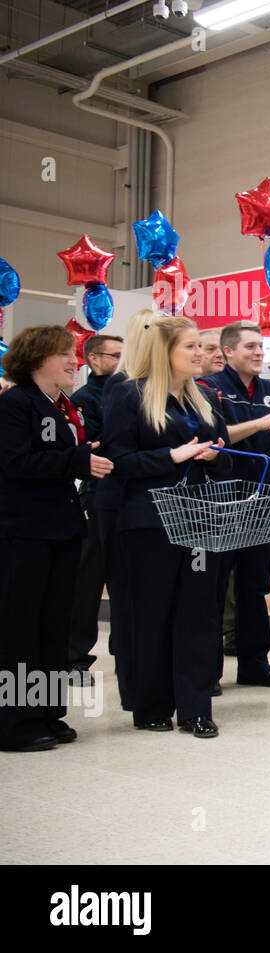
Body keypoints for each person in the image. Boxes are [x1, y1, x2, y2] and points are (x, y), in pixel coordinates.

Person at [100, 315, 230, 738]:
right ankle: (151, 704)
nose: (201, 354)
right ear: (165, 352)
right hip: (148, 520)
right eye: (191, 346)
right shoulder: (129, 395)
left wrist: (214, 456)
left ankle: (195, 707)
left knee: (198, 615)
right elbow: (117, 461)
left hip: (199, 518)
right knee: (151, 613)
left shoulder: (204, 398)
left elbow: (224, 452)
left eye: (201, 346)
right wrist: (170, 457)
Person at [0, 325, 113, 751]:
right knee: (19, 628)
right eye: (65, 354)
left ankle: (47, 712)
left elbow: (62, 458)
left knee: (53, 626)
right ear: (36, 358)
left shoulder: (65, 407)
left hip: (63, 531)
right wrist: (77, 460)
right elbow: (17, 462)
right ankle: (13, 723)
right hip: (23, 534)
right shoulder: (14, 405)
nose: (74, 361)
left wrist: (84, 456)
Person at [201, 321, 270, 689]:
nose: (258, 353)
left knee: (256, 585)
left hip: (262, 496)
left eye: (261, 347)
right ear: (227, 352)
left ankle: (255, 663)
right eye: (250, 347)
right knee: (215, 584)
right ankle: (207, 670)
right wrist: (260, 423)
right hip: (222, 496)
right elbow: (215, 438)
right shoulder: (209, 388)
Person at [94, 309, 153, 711]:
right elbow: (120, 456)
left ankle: (150, 683)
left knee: (149, 605)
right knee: (131, 603)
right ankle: (135, 689)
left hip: (155, 512)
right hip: (123, 509)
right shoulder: (122, 388)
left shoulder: (169, 389)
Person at [67, 333, 123, 677]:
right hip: (96, 494)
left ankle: (126, 652)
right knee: (89, 581)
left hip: (127, 496)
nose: (120, 362)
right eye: (113, 356)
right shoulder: (84, 400)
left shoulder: (129, 392)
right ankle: (74, 656)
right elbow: (96, 447)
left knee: (126, 581)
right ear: (94, 359)